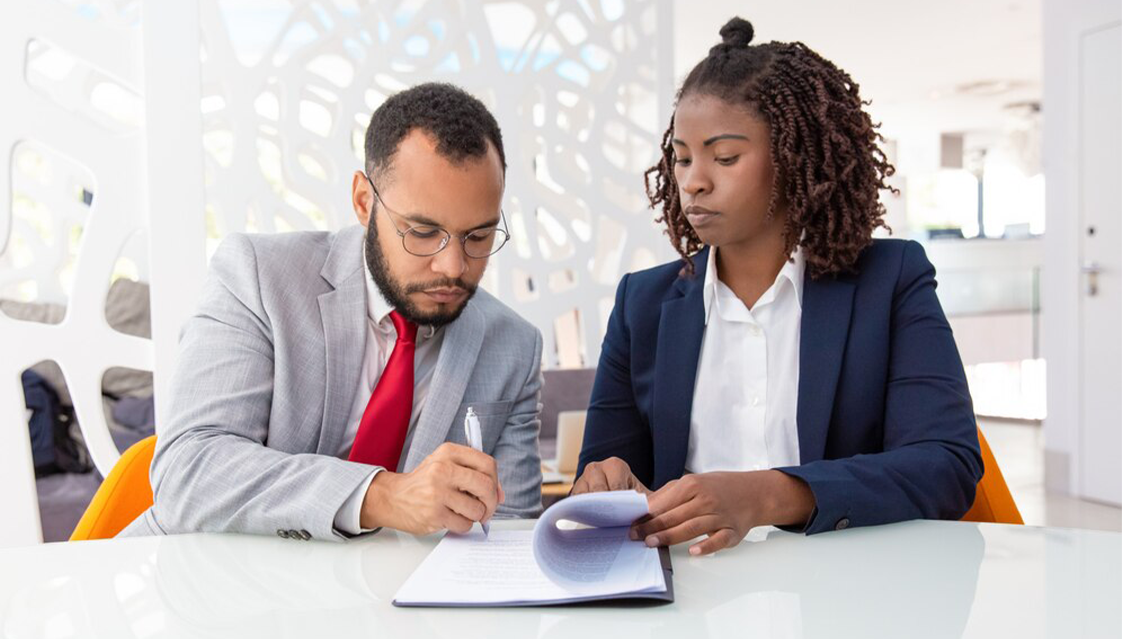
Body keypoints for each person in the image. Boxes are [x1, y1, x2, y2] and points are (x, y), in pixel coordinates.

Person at [573, 18, 983, 556]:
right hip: (690, 587)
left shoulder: (890, 281)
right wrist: (604, 483)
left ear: (792, 158)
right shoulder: (641, 305)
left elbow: (945, 464)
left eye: (724, 157)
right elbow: (603, 473)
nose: (693, 181)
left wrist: (769, 494)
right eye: (682, 157)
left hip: (847, 585)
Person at [119, 83, 544, 541]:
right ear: (364, 201)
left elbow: (509, 535)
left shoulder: (514, 347)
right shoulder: (258, 277)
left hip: (389, 588)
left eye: (478, 237)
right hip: (192, 575)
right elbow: (189, 471)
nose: (453, 266)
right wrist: (381, 496)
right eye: (423, 232)